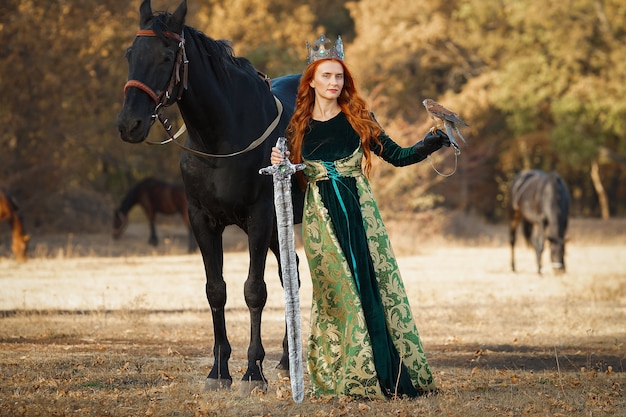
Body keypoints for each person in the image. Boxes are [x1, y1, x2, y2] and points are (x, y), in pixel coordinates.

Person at [271, 34, 450, 400]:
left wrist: (434, 139)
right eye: (326, 76)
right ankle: (349, 375)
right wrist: (279, 164)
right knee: (335, 295)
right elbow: (289, 175)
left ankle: (386, 375)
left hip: (359, 214)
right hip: (322, 219)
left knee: (369, 289)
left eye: (339, 76)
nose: (334, 82)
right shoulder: (297, 126)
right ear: (311, 81)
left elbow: (399, 156)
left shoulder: (358, 118)